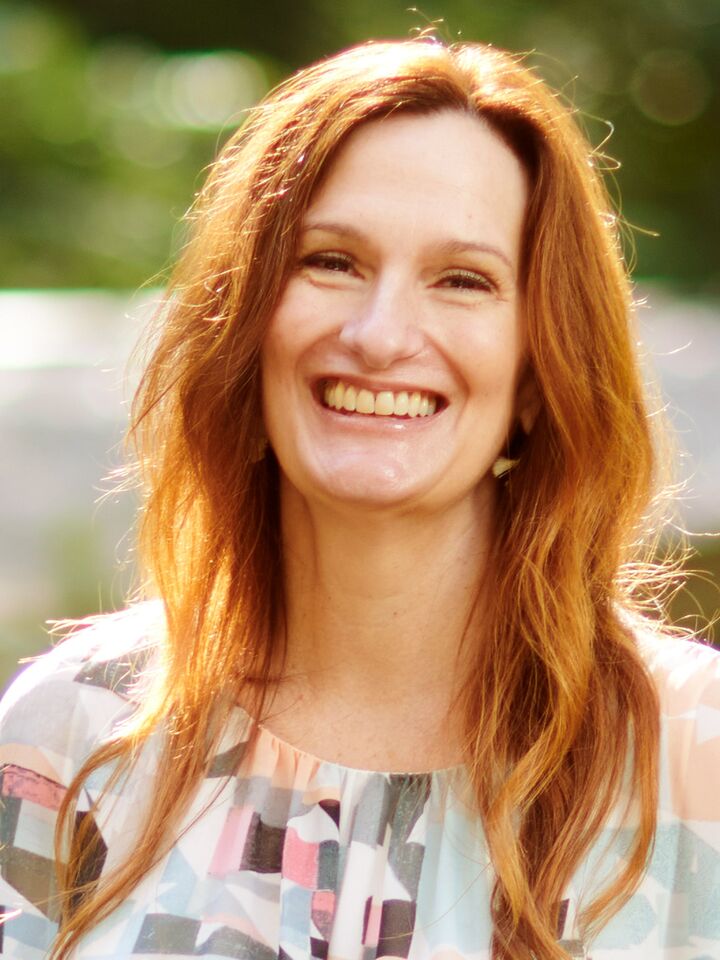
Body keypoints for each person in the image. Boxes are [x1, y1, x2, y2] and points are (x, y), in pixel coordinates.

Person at [1, 37, 719, 960]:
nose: (380, 335)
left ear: (540, 371)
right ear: (246, 320)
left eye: (463, 280)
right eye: (331, 261)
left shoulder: (692, 759)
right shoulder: (75, 734)